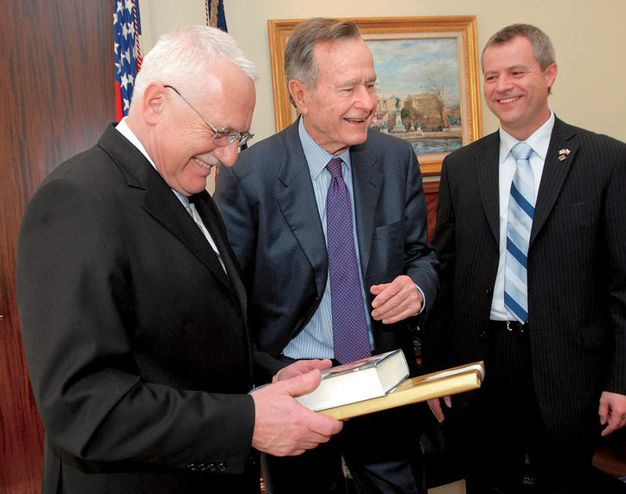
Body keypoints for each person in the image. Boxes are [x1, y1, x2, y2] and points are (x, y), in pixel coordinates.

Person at [15, 25, 342, 494]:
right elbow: (83, 404)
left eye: (240, 137)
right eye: (220, 132)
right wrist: (245, 423)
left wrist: (272, 372)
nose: (230, 158)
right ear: (154, 103)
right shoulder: (76, 202)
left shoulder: (187, 187)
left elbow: (188, 338)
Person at [424, 23, 626, 493]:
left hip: (571, 368)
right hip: (482, 366)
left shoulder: (603, 160)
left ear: (549, 74)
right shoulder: (462, 168)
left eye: (516, 72)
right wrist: (436, 374)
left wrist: (625, 381)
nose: (502, 86)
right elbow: (443, 278)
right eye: (491, 76)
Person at [214, 17, 439, 494]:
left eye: (371, 84)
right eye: (348, 88)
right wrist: (271, 373)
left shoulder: (395, 159)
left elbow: (422, 256)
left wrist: (416, 288)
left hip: (383, 388)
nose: (368, 103)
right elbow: (227, 299)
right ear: (300, 93)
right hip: (297, 393)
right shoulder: (251, 174)